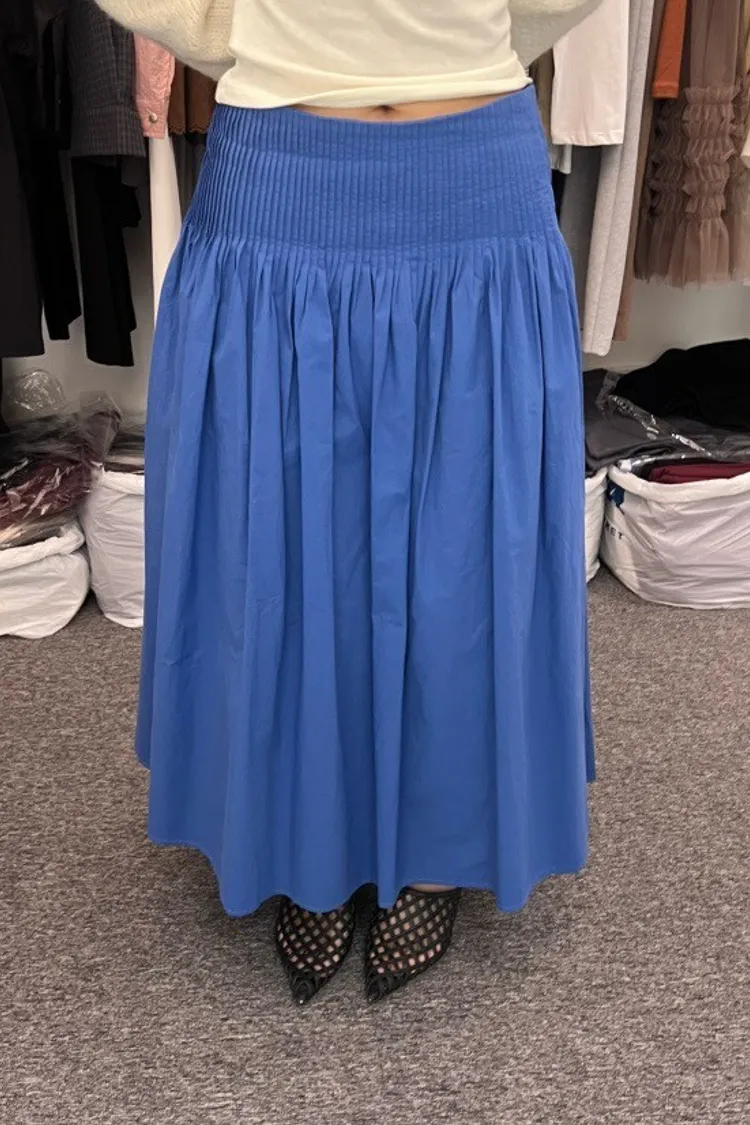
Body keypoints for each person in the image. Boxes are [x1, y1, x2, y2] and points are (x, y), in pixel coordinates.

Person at [96, 0, 600, 1005]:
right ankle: (304, 841)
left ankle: (440, 851)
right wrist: (253, 35)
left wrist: (468, 33)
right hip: (283, 180)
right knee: (283, 543)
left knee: (464, 553)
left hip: (471, 184)